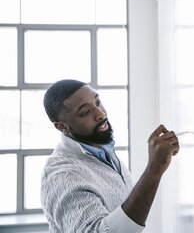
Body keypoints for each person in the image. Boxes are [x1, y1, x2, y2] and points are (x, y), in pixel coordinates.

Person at [41, 79, 179, 233]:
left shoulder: (101, 149)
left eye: (98, 102)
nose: (100, 114)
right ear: (62, 127)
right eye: (85, 112)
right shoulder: (62, 177)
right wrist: (154, 169)